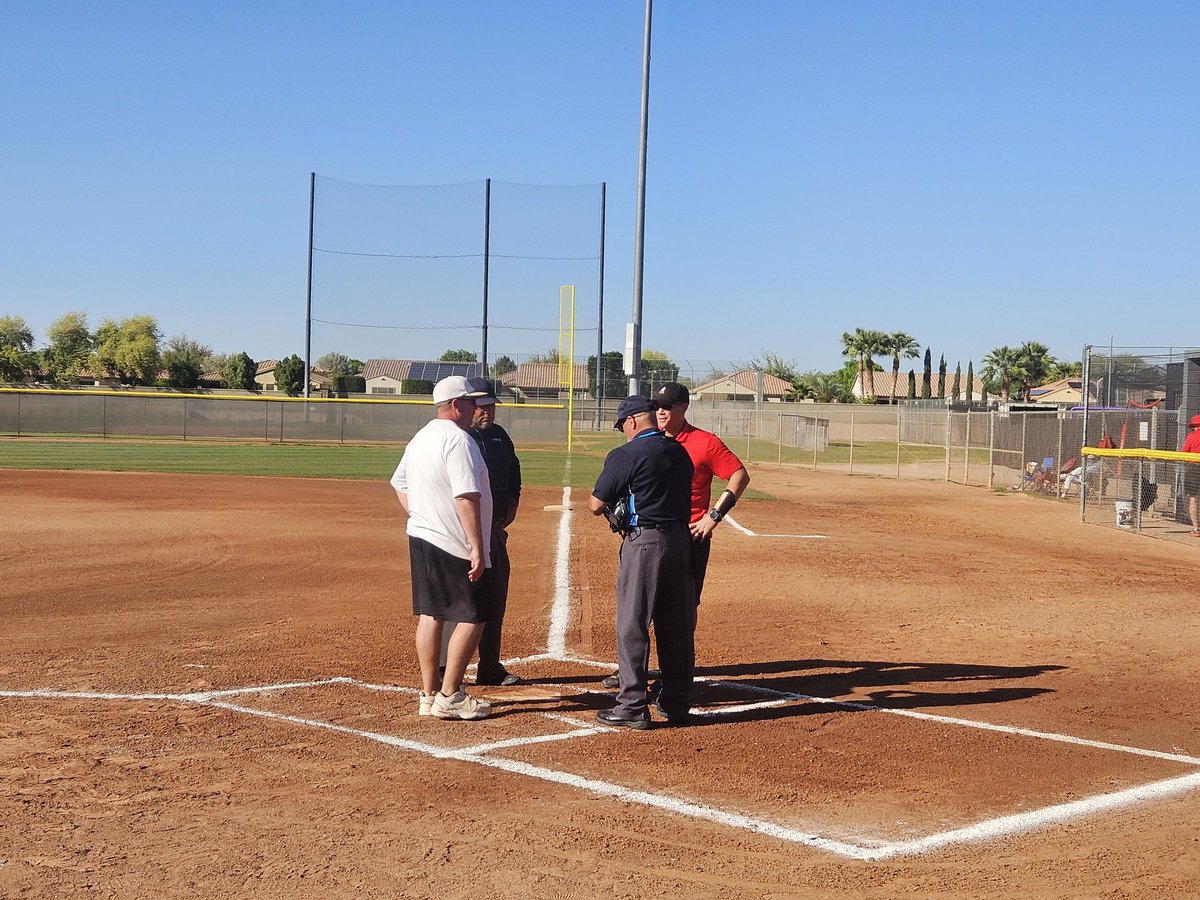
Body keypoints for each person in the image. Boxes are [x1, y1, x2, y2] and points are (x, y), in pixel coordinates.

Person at [601, 382, 750, 689]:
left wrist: (714, 515)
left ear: (683, 409)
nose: (661, 412)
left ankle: (676, 675)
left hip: (690, 536)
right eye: (657, 407)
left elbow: (739, 475)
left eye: (667, 407)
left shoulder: (704, 443)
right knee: (638, 609)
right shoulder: (644, 441)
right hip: (647, 535)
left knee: (681, 611)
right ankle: (632, 672)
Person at [390, 375, 494, 720]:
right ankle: (450, 694)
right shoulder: (458, 440)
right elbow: (466, 497)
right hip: (454, 542)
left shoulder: (419, 438)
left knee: (432, 614)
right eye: (470, 402)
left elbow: (399, 482)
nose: (475, 408)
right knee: (475, 615)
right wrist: (478, 546)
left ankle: (428, 693)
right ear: (455, 405)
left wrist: (422, 514)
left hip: (422, 536)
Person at [590, 395, 695, 729]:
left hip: (645, 544)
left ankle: (632, 705)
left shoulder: (627, 453)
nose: (624, 431)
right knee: (675, 625)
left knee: (633, 623)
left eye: (623, 426)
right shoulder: (679, 451)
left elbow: (596, 503)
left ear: (633, 421)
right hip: (681, 543)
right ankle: (677, 702)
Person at [466, 376, 523, 685]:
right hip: (464, 533)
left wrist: (513, 500)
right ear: (468, 405)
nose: (488, 412)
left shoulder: (500, 436)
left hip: (495, 531)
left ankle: (489, 666)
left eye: (492, 406)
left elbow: (514, 470)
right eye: (483, 407)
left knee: (495, 596)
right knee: (462, 599)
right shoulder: (461, 438)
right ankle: (447, 670)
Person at [1181, 413, 1200, 536]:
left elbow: (1183, 453)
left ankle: (1196, 529)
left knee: (1193, 499)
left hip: (1194, 468)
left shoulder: (1192, 436)